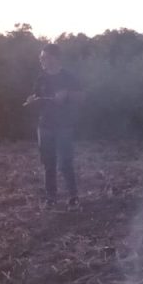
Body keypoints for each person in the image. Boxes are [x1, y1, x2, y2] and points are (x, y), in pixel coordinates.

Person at [25, 43, 84, 209]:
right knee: (48, 163)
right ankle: (51, 198)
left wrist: (67, 95)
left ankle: (73, 196)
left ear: (55, 58)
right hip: (44, 126)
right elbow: (37, 96)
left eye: (44, 57)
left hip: (64, 126)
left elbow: (81, 98)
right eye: (41, 58)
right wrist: (31, 100)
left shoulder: (69, 77)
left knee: (65, 162)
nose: (41, 60)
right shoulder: (41, 78)